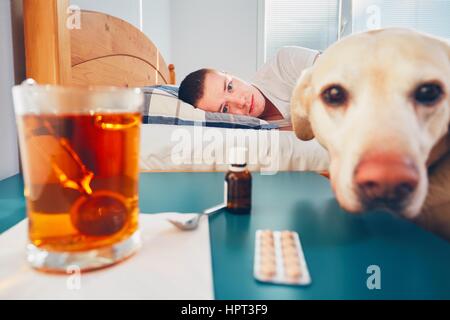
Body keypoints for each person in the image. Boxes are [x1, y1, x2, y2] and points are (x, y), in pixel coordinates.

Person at [178, 46, 320, 127]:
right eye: (225, 108)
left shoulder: (284, 62)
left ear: (231, 74)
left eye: (230, 87)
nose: (240, 102)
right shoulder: (253, 133)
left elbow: (338, 69)